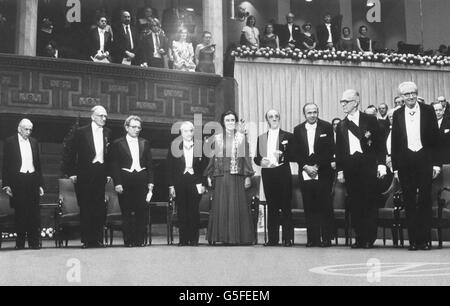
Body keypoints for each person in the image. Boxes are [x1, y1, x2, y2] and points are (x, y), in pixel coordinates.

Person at [392, 82, 441, 251]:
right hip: (406, 163)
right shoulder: (397, 114)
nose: (410, 97)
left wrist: (436, 164)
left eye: (413, 93)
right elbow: (395, 143)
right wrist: (396, 168)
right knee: (410, 201)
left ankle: (425, 240)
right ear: (401, 97)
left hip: (425, 160)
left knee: (425, 200)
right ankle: (413, 240)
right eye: (406, 94)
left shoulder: (428, 111)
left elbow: (436, 140)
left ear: (417, 94)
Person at [335, 89, 386, 249]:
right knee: (355, 203)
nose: (343, 104)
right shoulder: (341, 125)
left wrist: (382, 164)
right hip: (351, 167)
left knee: (369, 202)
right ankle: (359, 236)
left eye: (346, 101)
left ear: (355, 103)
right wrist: (340, 170)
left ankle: (369, 238)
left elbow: (380, 144)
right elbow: (340, 151)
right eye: (342, 102)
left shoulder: (370, 120)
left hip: (368, 165)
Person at [63, 106, 112, 248]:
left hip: (100, 172)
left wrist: (108, 172)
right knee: (86, 206)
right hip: (84, 172)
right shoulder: (81, 132)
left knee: (99, 207)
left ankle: (97, 239)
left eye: (105, 116)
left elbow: (109, 155)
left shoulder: (108, 132)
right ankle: (87, 239)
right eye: (101, 116)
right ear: (93, 116)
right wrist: (71, 172)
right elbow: (72, 152)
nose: (104, 118)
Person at [204, 110, 255, 245]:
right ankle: (222, 237)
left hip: (237, 177)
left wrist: (248, 175)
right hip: (221, 177)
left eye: (233, 120)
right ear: (223, 122)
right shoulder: (217, 138)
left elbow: (246, 158)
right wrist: (209, 174)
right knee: (222, 206)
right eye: (227, 120)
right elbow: (212, 157)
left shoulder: (241, 137)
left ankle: (237, 238)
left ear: (236, 122)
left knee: (235, 206)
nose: (230, 122)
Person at [293, 104, 334, 248]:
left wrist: (316, 167)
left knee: (325, 206)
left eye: (315, 112)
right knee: (309, 206)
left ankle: (326, 238)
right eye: (309, 112)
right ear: (304, 114)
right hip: (305, 171)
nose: (312, 115)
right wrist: (306, 167)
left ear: (318, 112)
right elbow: (296, 152)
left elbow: (330, 150)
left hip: (322, 171)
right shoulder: (297, 130)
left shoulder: (327, 127)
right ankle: (312, 239)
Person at [111, 116, 154, 248]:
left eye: (139, 127)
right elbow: (114, 164)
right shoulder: (118, 143)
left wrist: (150, 183)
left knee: (141, 211)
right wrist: (117, 183)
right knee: (127, 212)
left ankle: (140, 240)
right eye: (134, 127)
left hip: (141, 178)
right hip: (125, 179)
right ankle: (128, 240)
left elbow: (150, 164)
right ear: (126, 127)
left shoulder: (144, 142)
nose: (137, 129)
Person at [2, 119, 44, 250]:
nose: (28, 132)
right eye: (26, 129)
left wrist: (40, 184)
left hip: (32, 178)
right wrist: (6, 184)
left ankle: (34, 242)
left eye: (30, 129)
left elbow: (38, 165)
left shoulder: (34, 142)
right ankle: (19, 243)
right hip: (17, 180)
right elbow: (5, 165)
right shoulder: (9, 142)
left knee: (34, 212)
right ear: (19, 128)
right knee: (20, 212)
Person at [254, 110, 294, 247]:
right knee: (272, 206)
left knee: (286, 206)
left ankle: (288, 239)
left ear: (279, 118)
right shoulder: (261, 137)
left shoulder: (288, 136)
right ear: (267, 120)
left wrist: (282, 156)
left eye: (276, 116)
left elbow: (294, 155)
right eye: (271, 117)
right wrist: (260, 162)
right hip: (268, 174)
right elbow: (256, 157)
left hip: (283, 173)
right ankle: (272, 239)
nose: (274, 118)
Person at [167, 122, 208, 246]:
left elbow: (205, 167)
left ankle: (194, 240)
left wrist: (204, 183)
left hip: (195, 181)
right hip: (179, 181)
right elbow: (169, 167)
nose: (189, 133)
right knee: (182, 211)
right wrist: (171, 185)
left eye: (191, 131)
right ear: (181, 132)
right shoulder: (174, 145)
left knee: (194, 211)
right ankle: (183, 239)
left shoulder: (200, 147)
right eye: (185, 131)